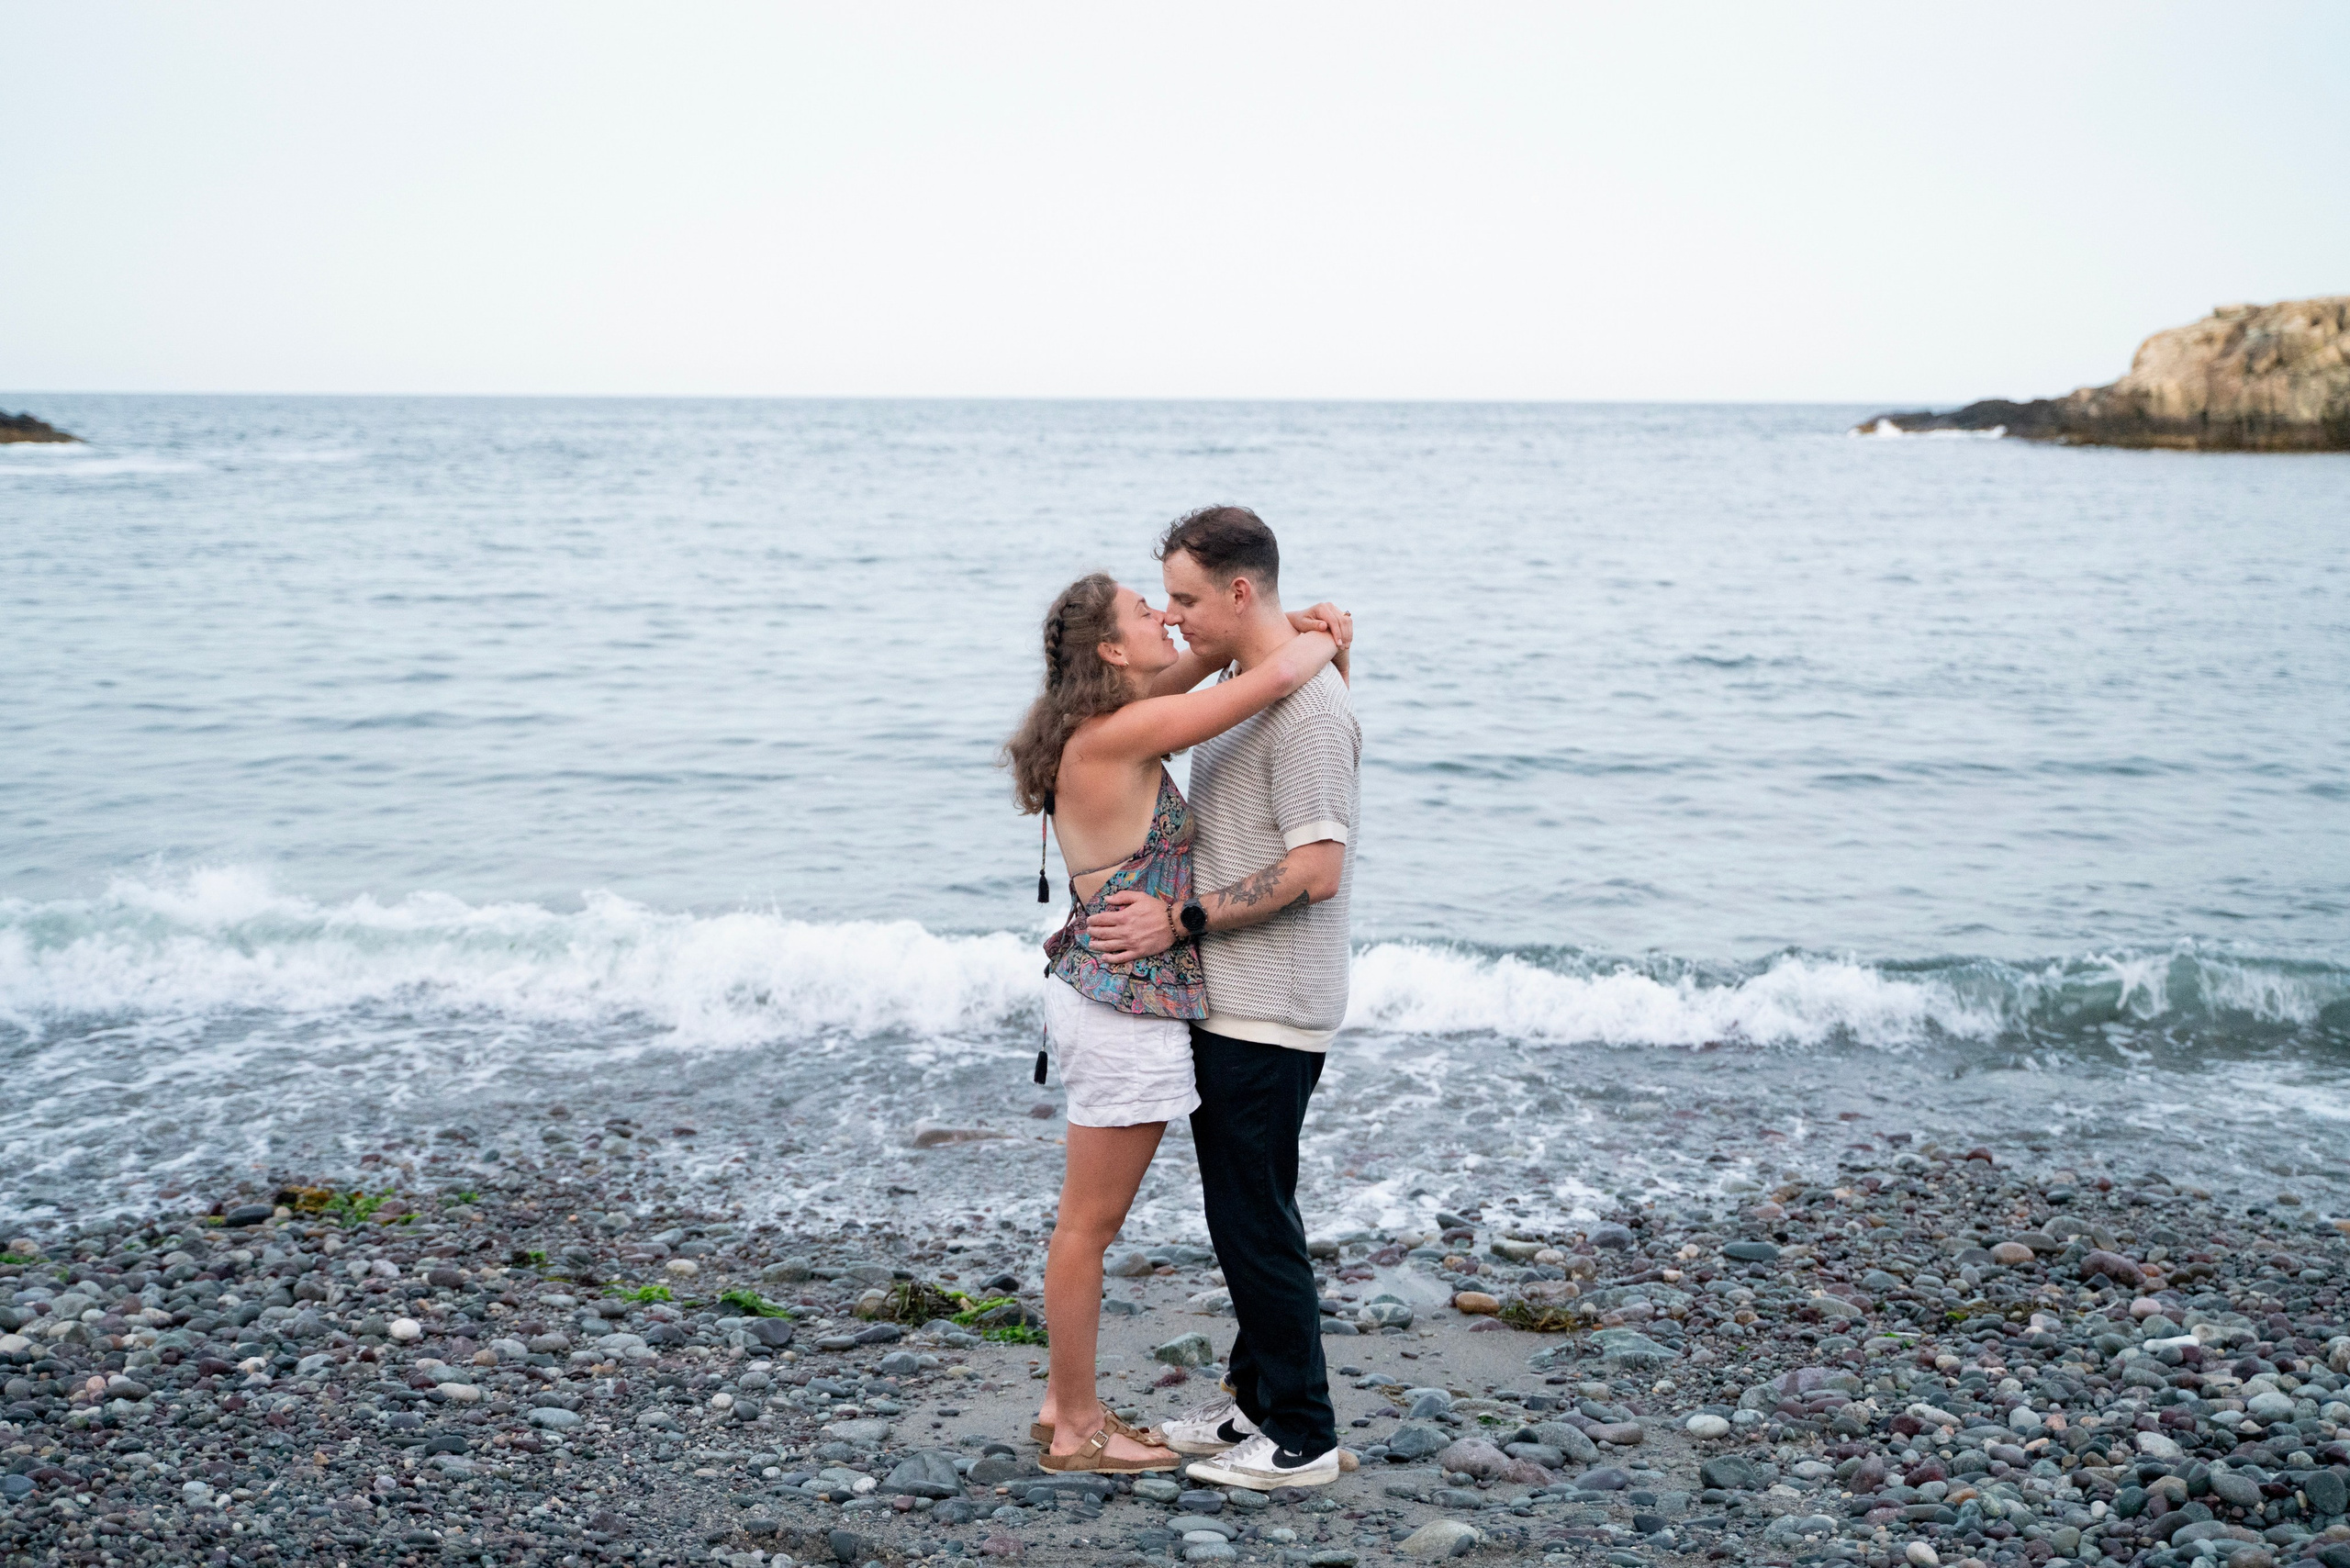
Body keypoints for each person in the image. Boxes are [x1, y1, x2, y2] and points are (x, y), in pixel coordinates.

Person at [1002, 568, 1352, 1475]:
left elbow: (1210, 656)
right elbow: (1266, 681)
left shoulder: (1109, 718)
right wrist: (1328, 637)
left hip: (1119, 998)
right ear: (1112, 650)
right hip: (1121, 1007)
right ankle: (1076, 1423)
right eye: (1143, 610)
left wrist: (1287, 618)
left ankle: (1065, 1409)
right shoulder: (1119, 732)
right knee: (1088, 1225)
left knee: (1094, 1220)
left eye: (1170, 599)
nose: (1165, 615)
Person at [1083, 505, 1362, 1491]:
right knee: (1246, 1211)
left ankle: (1302, 1437)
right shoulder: (1252, 682)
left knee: (1255, 1223)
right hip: (1231, 1002)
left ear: (1241, 591)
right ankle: (1254, 1405)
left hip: (1268, 1007)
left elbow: (1317, 868)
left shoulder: (1308, 703)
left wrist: (1177, 921)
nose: (1174, 613)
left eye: (1189, 597)